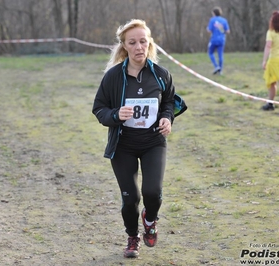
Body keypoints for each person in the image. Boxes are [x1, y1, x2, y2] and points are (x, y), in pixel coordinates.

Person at [92, 19, 176, 259]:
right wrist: (116, 114)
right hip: (123, 145)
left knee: (152, 192)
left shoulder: (161, 75)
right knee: (131, 198)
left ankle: (150, 220)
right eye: (133, 42)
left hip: (153, 142)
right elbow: (99, 109)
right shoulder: (113, 77)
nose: (139, 47)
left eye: (143, 41)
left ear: (149, 43)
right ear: (124, 46)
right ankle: (132, 237)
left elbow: (169, 101)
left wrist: (167, 118)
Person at [207, 6, 230, 75]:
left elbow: (209, 30)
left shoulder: (212, 20)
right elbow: (228, 31)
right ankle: (220, 70)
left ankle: (216, 66)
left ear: (214, 13)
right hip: (222, 40)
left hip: (214, 39)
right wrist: (221, 30)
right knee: (220, 55)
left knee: (210, 52)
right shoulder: (224, 21)